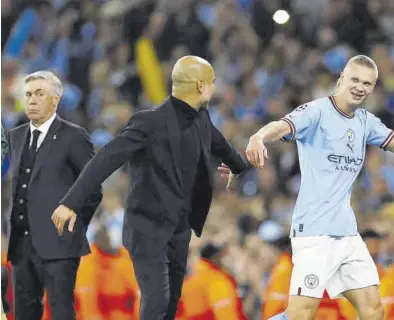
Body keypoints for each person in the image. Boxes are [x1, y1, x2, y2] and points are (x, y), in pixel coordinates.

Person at [51, 55, 250, 320]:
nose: (214, 87)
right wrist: (70, 202)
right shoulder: (149, 122)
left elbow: (222, 147)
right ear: (200, 86)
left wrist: (239, 167)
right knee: (157, 299)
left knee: (169, 305)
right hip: (146, 228)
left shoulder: (202, 119)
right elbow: (106, 158)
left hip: (179, 228)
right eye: (212, 82)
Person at [228, 55, 393, 320]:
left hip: (348, 235)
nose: (360, 87)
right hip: (315, 233)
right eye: (355, 80)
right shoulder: (317, 111)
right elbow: (282, 125)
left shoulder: (366, 121)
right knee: (299, 315)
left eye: (368, 83)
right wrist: (258, 137)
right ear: (342, 78)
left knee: (373, 310)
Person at [6, 71, 102, 320]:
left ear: (56, 99)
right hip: (21, 244)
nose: (32, 100)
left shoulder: (74, 136)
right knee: (24, 312)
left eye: (39, 94)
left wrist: (73, 224)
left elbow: (92, 188)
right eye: (28, 94)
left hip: (59, 245)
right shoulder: (15, 136)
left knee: (60, 311)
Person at [176, 243, 247, 320]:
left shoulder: (193, 276)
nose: (223, 259)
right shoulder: (215, 280)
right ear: (214, 258)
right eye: (220, 256)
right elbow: (224, 312)